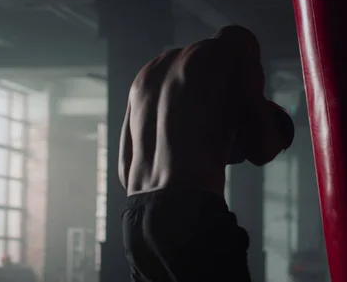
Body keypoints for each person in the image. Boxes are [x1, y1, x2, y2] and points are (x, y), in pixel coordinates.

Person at [119, 25, 295, 281]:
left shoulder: (148, 72)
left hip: (135, 220)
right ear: (252, 52)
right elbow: (262, 149)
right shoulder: (237, 57)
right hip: (190, 213)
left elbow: (125, 171)